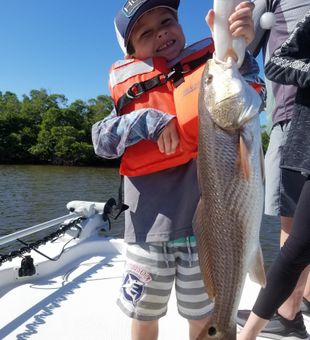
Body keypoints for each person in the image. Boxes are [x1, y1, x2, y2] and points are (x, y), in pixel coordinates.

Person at [92, 1, 258, 339]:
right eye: (146, 32)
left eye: (167, 21)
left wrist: (241, 47)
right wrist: (148, 120)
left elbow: (250, 94)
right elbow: (101, 141)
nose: (161, 33)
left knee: (202, 317)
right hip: (146, 235)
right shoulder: (132, 96)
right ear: (131, 52)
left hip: (206, 236)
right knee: (144, 315)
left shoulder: (210, 75)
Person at [237, 0, 310, 338]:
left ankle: (292, 305)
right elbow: (241, 48)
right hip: (295, 119)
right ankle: (286, 308)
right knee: (294, 226)